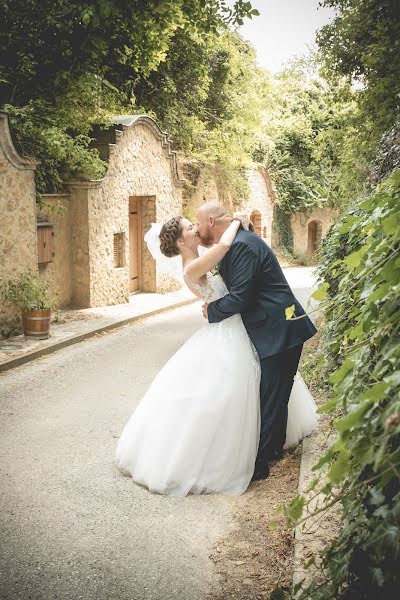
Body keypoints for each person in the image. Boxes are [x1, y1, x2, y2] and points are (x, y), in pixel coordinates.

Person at [115, 211, 317, 496]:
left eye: (194, 223)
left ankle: (265, 447)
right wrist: (236, 221)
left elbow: (224, 255)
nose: (195, 229)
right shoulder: (192, 266)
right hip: (226, 332)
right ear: (181, 242)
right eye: (189, 227)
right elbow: (222, 247)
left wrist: (235, 226)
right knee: (232, 393)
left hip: (236, 329)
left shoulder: (199, 257)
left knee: (258, 389)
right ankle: (240, 456)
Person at [196, 202, 317, 481]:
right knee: (275, 395)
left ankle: (257, 466)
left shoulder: (242, 246)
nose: (198, 227)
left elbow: (241, 297)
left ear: (211, 221)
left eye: (198, 221)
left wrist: (211, 310)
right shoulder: (237, 242)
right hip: (277, 329)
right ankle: (271, 451)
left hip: (279, 329)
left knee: (269, 398)